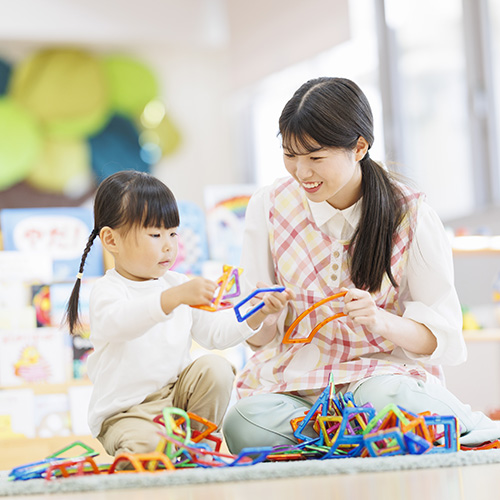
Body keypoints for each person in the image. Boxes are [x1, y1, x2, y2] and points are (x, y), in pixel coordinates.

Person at [222, 76, 500, 453]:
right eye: (290, 155)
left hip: (382, 379)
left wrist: (381, 320)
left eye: (315, 157)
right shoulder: (268, 206)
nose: (301, 172)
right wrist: (266, 317)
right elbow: (257, 338)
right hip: (300, 390)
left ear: (359, 147)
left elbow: (443, 339)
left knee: (384, 397)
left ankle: (466, 427)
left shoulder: (409, 212)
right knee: (243, 423)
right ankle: (362, 441)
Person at [65, 170, 294, 459]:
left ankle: (197, 448)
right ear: (111, 240)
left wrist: (257, 313)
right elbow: (119, 323)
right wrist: (173, 298)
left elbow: (215, 333)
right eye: (155, 234)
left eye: (173, 233)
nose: (168, 245)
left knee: (216, 368)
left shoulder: (177, 284)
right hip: (126, 413)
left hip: (177, 401)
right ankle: (156, 451)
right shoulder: (108, 290)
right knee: (149, 451)